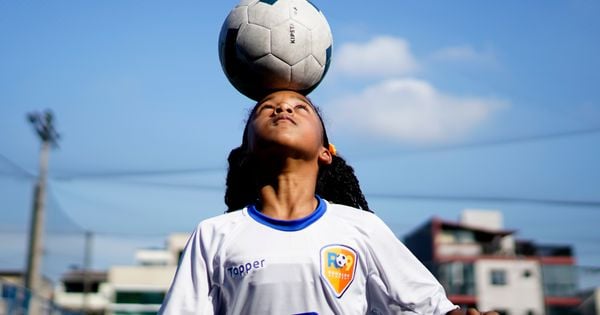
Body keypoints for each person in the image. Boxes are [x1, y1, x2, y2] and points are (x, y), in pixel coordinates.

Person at [159, 90, 497, 315]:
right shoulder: (214, 234)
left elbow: (429, 307)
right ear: (246, 152)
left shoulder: (361, 227)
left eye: (300, 107)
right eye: (265, 108)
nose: (283, 108)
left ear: (325, 152)